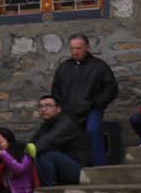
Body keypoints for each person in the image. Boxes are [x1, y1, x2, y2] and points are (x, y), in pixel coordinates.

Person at [51, 34, 119, 165]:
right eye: (72, 48)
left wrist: (94, 103)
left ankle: (100, 169)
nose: (75, 52)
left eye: (78, 48)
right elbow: (56, 90)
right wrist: (60, 107)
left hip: (92, 109)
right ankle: (73, 172)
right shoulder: (63, 68)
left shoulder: (99, 66)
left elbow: (111, 88)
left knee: (93, 131)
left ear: (87, 47)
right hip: (69, 112)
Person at [30, 94, 87, 186]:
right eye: (41, 106)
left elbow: (46, 142)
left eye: (48, 106)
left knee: (44, 153)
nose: (43, 109)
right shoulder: (46, 126)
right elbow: (31, 143)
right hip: (60, 169)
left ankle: (50, 190)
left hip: (77, 170)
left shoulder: (66, 123)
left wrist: (25, 156)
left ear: (58, 109)